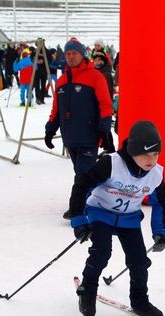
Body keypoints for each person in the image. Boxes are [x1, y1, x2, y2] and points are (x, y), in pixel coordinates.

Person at [69, 120, 165, 316]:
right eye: (145, 154)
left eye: (155, 154)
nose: (151, 160)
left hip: (129, 219)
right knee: (102, 252)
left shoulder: (157, 174)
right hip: (100, 212)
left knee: (139, 261)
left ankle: (140, 301)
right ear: (132, 151)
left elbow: (159, 205)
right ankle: (87, 292)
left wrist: (159, 231)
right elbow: (82, 185)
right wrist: (79, 220)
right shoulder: (112, 163)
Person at [44, 38, 113, 219]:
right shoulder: (61, 81)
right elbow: (56, 110)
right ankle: (97, 198)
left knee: (83, 174)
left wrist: (104, 130)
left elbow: (106, 105)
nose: (70, 56)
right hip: (70, 137)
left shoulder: (95, 77)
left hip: (89, 136)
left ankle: (78, 208)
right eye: (67, 53)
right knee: (82, 172)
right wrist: (50, 130)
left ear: (82, 54)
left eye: (74, 53)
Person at [91, 52, 115, 154]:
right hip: (96, 104)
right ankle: (108, 147)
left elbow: (108, 92)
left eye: (99, 60)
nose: (97, 62)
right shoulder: (95, 73)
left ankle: (110, 148)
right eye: (95, 60)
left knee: (105, 127)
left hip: (104, 105)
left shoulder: (106, 74)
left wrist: (107, 106)